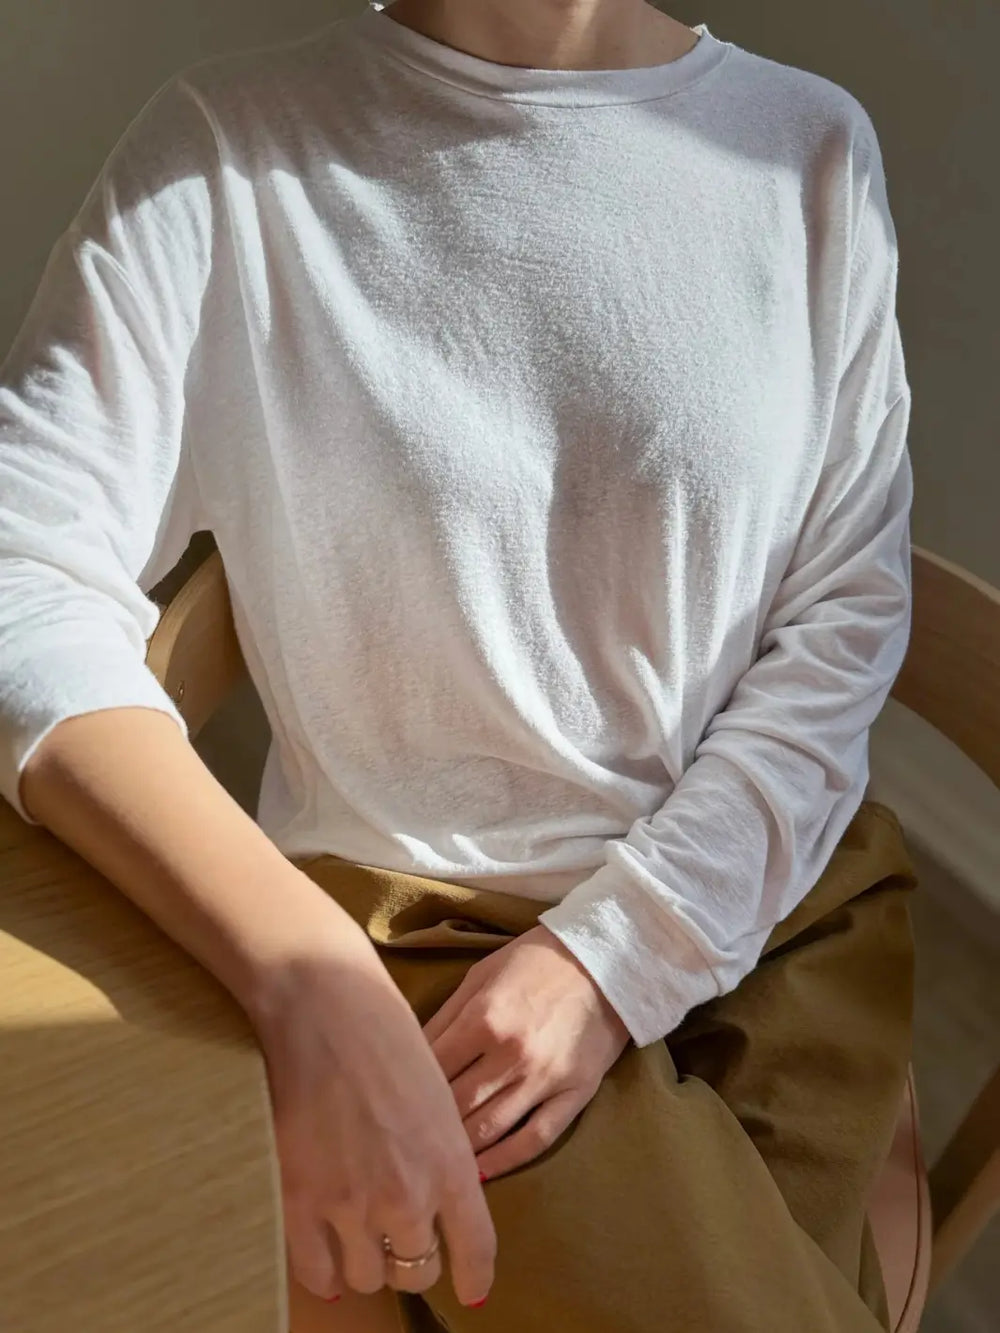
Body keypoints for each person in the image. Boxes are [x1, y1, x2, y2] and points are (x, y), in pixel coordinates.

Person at [0, 1, 918, 1330]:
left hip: (775, 914)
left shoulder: (810, 152)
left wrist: (619, 954)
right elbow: (23, 569)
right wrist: (303, 965)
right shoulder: (228, 156)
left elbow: (843, 617)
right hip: (422, 958)